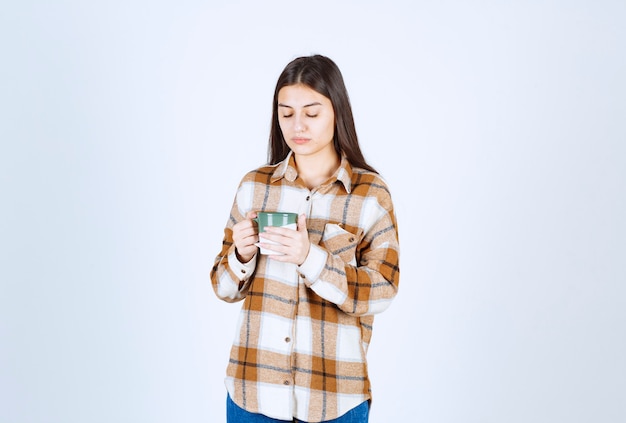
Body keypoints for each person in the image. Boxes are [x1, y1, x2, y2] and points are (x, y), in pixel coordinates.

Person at [210, 54, 400, 423]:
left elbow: (383, 289)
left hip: (333, 399)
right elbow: (222, 286)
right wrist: (242, 255)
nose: (298, 125)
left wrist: (309, 258)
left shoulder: (370, 195)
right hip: (253, 394)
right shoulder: (254, 187)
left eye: (311, 113)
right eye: (286, 113)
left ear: (336, 112)